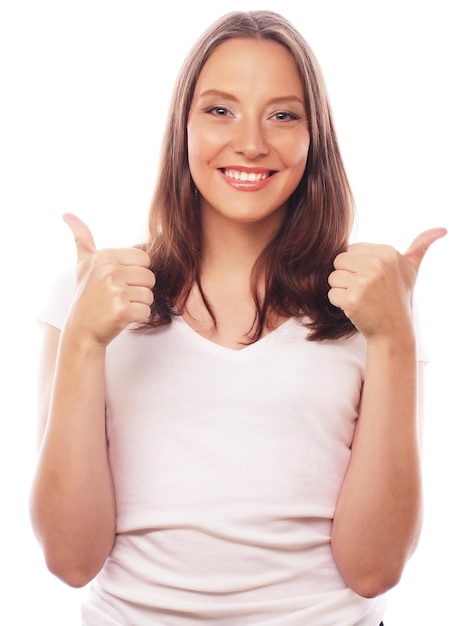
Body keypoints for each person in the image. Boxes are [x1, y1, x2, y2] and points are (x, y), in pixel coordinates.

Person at [29, 10, 446, 626]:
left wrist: (394, 340)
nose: (251, 142)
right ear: (182, 128)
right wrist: (86, 341)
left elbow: (375, 568)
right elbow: (69, 560)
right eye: (220, 109)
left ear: (316, 139)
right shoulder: (88, 295)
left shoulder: (371, 309)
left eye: (282, 114)